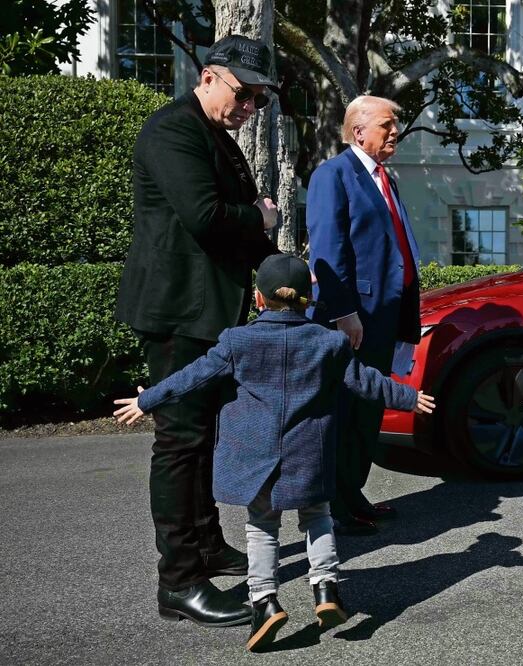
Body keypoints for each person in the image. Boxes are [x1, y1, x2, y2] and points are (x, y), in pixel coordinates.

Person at [113, 254, 436, 652]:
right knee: (317, 519)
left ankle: (265, 603)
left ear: (258, 299)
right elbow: (366, 381)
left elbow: (192, 376)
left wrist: (149, 401)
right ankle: (326, 591)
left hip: (257, 458)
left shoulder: (237, 341)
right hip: (309, 454)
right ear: (309, 299)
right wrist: (409, 397)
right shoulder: (328, 342)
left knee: (262, 528)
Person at [114, 34, 281, 626]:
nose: (250, 109)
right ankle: (180, 581)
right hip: (179, 314)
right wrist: (260, 214)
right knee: (181, 442)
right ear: (209, 76)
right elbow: (206, 218)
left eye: (260, 100)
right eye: (245, 94)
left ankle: (207, 544)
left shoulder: (214, 135)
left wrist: (285, 273)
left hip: (209, 312)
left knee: (205, 436)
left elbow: (244, 231)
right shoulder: (173, 130)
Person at [305, 95, 422, 537]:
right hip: (355, 318)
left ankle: (353, 493)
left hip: (386, 315)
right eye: (387, 125)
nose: (395, 132)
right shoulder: (332, 175)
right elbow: (327, 251)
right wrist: (344, 312)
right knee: (346, 411)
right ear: (359, 131)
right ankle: (336, 505)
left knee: (368, 409)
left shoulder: (383, 178)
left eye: (396, 125)